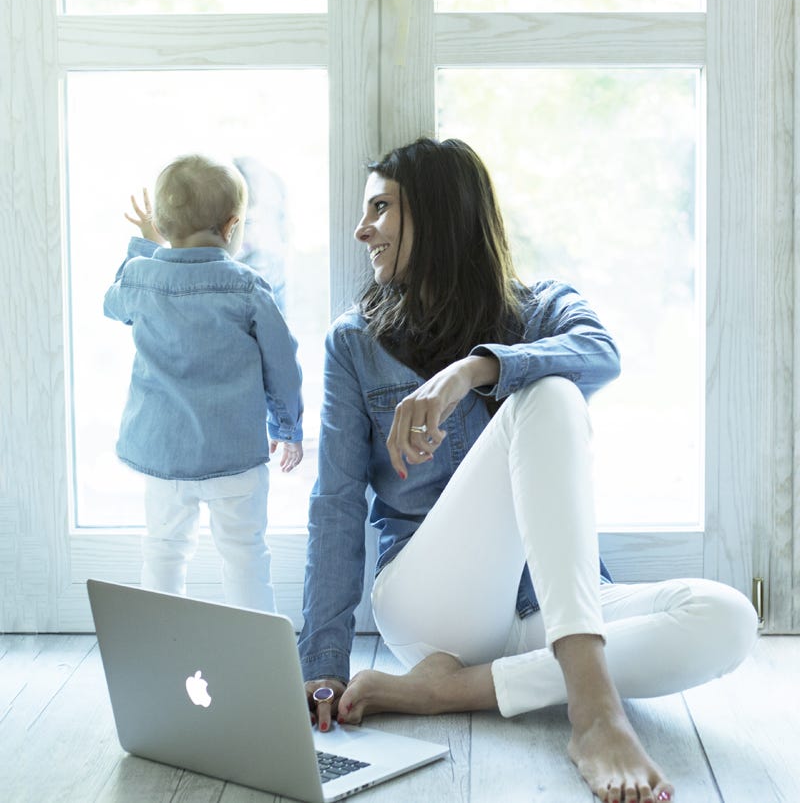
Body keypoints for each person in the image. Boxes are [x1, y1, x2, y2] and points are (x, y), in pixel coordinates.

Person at [298, 137, 757, 803]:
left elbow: (599, 351)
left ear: (436, 212)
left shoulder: (538, 307)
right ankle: (594, 713)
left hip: (546, 612)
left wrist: (475, 369)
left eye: (380, 208)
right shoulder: (353, 342)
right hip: (434, 609)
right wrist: (324, 667)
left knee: (728, 618)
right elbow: (335, 504)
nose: (362, 229)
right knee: (549, 394)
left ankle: (455, 689)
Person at [104, 154, 303, 613]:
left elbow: (113, 306)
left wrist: (142, 246)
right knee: (245, 556)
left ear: (161, 223)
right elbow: (283, 363)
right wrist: (287, 427)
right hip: (234, 459)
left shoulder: (141, 277)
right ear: (232, 225)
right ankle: (256, 658)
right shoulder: (248, 287)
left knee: (163, 552)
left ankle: (160, 650)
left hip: (163, 459)